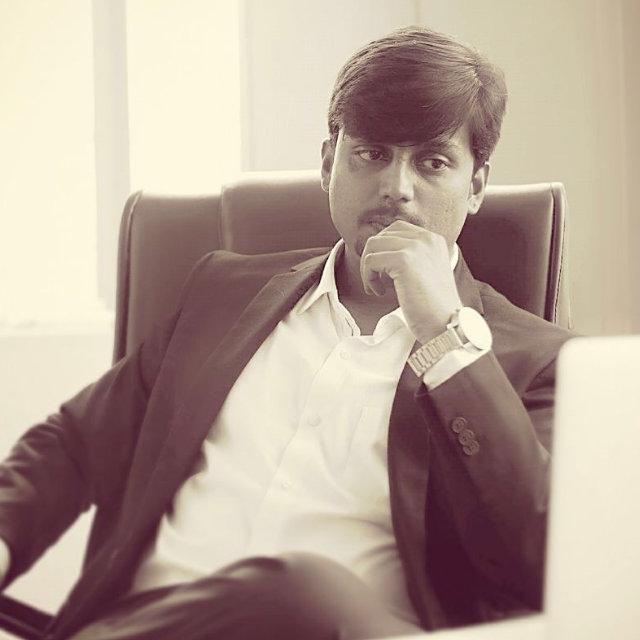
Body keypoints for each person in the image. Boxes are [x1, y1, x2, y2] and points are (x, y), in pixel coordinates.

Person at [0, 25, 571, 640]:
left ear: (476, 185)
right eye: (371, 154)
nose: (397, 189)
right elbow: (75, 444)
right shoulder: (223, 295)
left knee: (305, 593)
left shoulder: (538, 362)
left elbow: (547, 561)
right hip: (153, 620)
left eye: (433, 162)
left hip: (343, 627)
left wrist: (446, 336)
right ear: (328, 163)